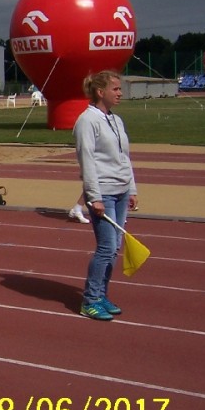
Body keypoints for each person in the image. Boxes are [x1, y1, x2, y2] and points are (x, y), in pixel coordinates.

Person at [73, 71, 138, 321]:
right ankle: (90, 300)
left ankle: (101, 295)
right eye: (116, 89)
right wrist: (94, 196)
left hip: (121, 190)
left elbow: (124, 157)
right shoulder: (87, 121)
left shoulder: (116, 120)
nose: (120, 93)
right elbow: (87, 160)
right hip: (104, 193)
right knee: (106, 247)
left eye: (120, 89)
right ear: (101, 92)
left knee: (114, 248)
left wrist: (132, 188)